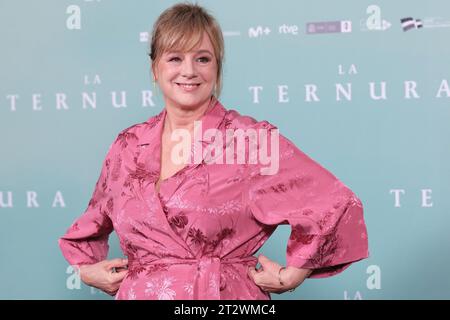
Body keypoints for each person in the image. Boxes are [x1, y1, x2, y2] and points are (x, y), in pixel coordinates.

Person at [59, 2, 369, 300]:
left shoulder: (249, 141)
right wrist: (86, 270)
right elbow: (91, 223)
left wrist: (294, 274)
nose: (189, 70)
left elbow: (337, 204)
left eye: (203, 58)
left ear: (217, 69)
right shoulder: (127, 145)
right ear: (155, 68)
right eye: (175, 58)